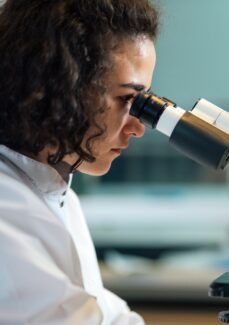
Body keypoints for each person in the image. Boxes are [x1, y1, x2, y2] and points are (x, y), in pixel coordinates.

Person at [0, 0, 158, 323]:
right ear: (58, 86)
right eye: (127, 99)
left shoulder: (58, 194)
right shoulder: (6, 207)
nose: (138, 127)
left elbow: (109, 316)